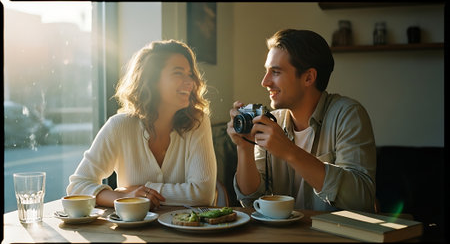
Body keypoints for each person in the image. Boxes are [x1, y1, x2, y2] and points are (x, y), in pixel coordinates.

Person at [227, 29, 376, 212]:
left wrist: (290, 152)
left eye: (275, 72)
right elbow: (251, 200)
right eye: (267, 71)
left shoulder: (348, 115)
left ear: (308, 77)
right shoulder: (273, 122)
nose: (264, 82)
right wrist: (244, 148)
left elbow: (361, 200)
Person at [67, 39, 217, 210]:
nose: (190, 82)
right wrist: (124, 196)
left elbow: (203, 194)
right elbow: (77, 186)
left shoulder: (197, 122)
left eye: (190, 74)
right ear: (152, 80)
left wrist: (145, 191)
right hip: (136, 234)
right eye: (178, 73)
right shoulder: (120, 126)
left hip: (186, 233)